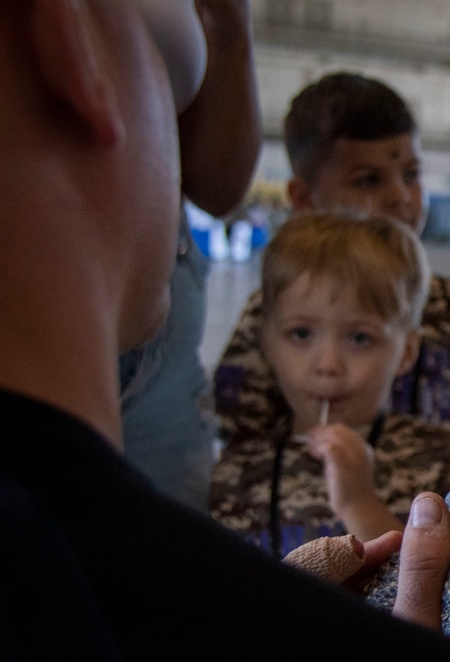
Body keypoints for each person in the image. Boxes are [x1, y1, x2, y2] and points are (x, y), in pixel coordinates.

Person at [0, 2, 450, 659]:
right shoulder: (153, 545)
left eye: (363, 337)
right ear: (70, 40)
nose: (327, 364)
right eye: (175, 75)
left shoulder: (90, 574)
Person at [213, 72, 450, 454]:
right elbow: (239, 444)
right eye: (367, 180)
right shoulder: (276, 314)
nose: (400, 196)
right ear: (303, 198)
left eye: (411, 175)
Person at [211, 211, 450, 554]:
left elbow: (444, 594)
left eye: (360, 339)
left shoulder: (439, 456)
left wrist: (359, 505)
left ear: (407, 352)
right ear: (266, 343)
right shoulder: (238, 470)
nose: (328, 365)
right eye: (301, 334)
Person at [119, 0, 261, 511]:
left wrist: (229, 29)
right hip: (41, 329)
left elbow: (218, 190)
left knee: (163, 572)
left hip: (166, 348)